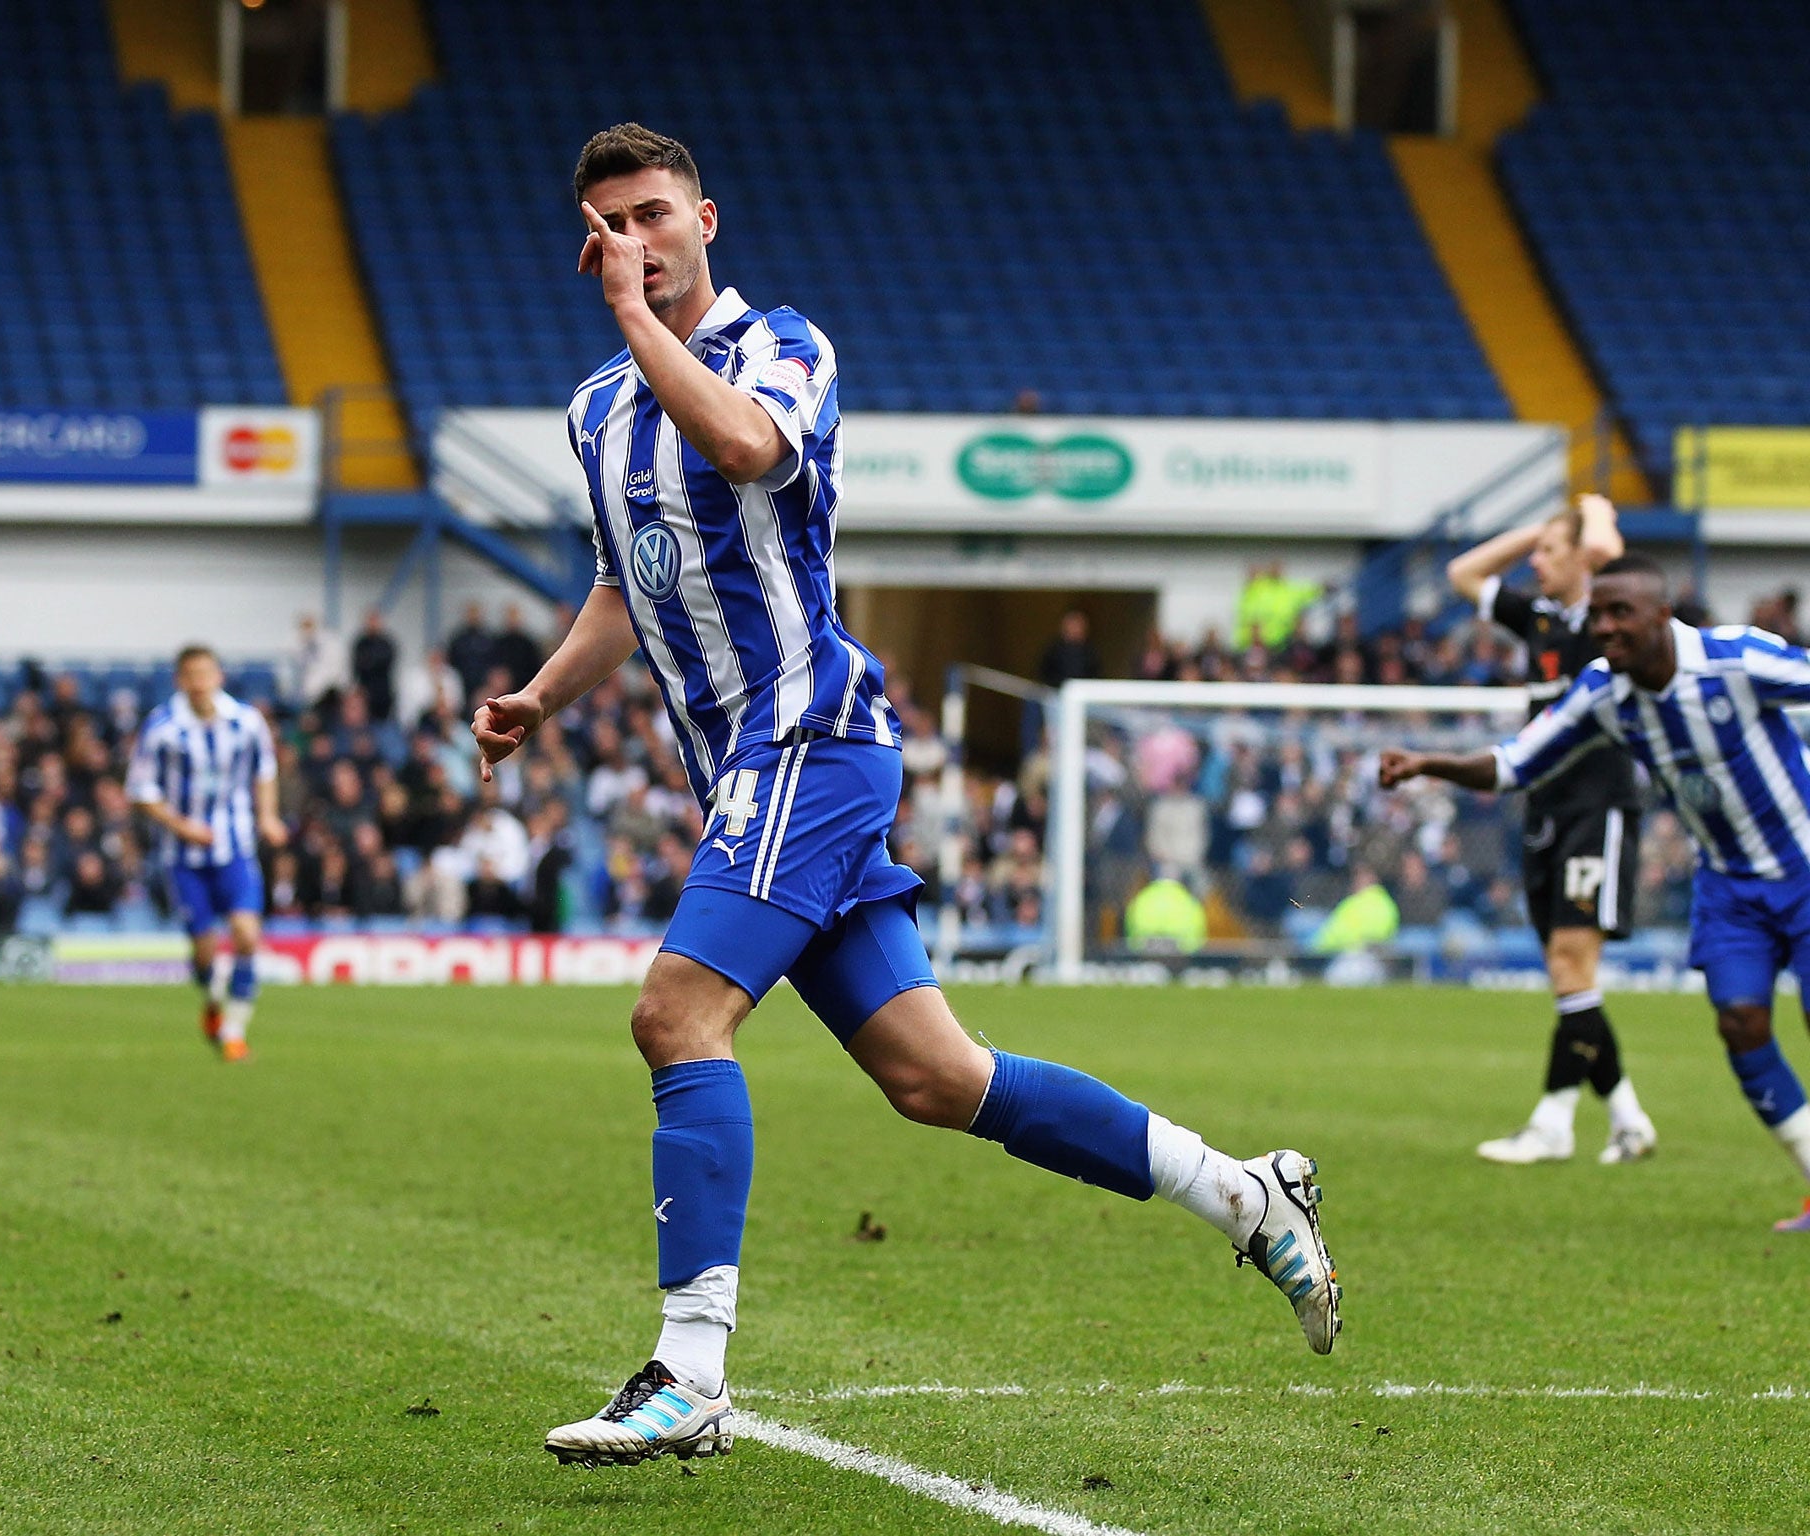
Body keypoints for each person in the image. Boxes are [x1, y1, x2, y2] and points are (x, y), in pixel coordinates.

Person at [477, 124, 1340, 1470]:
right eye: (609, 227)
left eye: (655, 215)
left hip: (813, 740)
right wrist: (542, 695)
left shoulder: (785, 350)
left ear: (708, 218)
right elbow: (619, 582)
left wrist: (638, 319)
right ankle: (1241, 1194)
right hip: (744, 771)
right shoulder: (593, 410)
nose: (635, 243)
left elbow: (751, 450)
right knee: (937, 1078)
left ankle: (689, 1367)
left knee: (676, 1012)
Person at [1380, 555, 1810, 1232]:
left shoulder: (1736, 661)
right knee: (1740, 1023)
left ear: (1660, 616)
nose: (1604, 629)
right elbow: (1517, 761)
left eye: (1620, 614)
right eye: (1598, 616)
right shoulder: (1604, 693)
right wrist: (1428, 763)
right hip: (1730, 886)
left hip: (1806, 868)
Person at [1441, 495, 1657, 1165]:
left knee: (1572, 962)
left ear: (1582, 560)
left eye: (1548, 553)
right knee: (1568, 977)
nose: (1536, 562)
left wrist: (1592, 516)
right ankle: (1628, 1118)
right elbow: (1464, 575)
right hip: (1545, 809)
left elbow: (1610, 557)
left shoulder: (1610, 620)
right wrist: (1535, 529)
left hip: (1599, 806)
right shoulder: (1537, 617)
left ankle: (1554, 1120)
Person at [126, 646, 286, 1063]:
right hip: (183, 858)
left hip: (236, 849)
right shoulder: (162, 727)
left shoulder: (246, 722)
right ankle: (212, 998)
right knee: (204, 953)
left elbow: (265, 772)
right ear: (180, 680)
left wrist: (267, 816)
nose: (199, 682)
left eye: (206, 673)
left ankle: (234, 1031)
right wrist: (183, 827)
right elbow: (141, 792)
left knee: (247, 935)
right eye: (191, 675)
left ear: (218, 676)